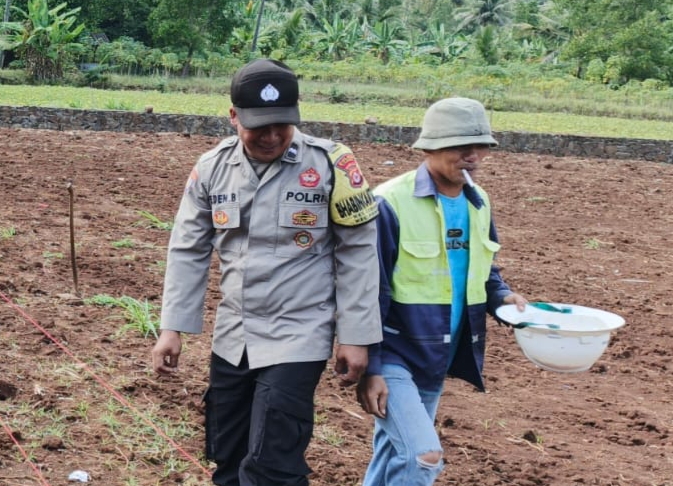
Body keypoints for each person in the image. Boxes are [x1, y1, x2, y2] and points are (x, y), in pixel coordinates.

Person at [151, 58, 383, 486]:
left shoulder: (332, 164)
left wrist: (355, 335)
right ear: (233, 116)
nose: (272, 136)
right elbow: (188, 249)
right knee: (228, 459)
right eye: (260, 126)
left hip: (298, 334)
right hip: (233, 335)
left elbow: (359, 253)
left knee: (271, 464)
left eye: (282, 124)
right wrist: (172, 327)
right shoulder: (212, 168)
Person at [356, 97, 529, 485]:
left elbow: (483, 269)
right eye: (460, 146)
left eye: (480, 146)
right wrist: (372, 367)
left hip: (437, 355)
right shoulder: (390, 202)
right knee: (423, 457)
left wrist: (502, 297)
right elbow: (367, 290)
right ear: (428, 148)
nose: (473, 156)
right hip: (395, 352)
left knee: (393, 453)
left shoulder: (478, 202)